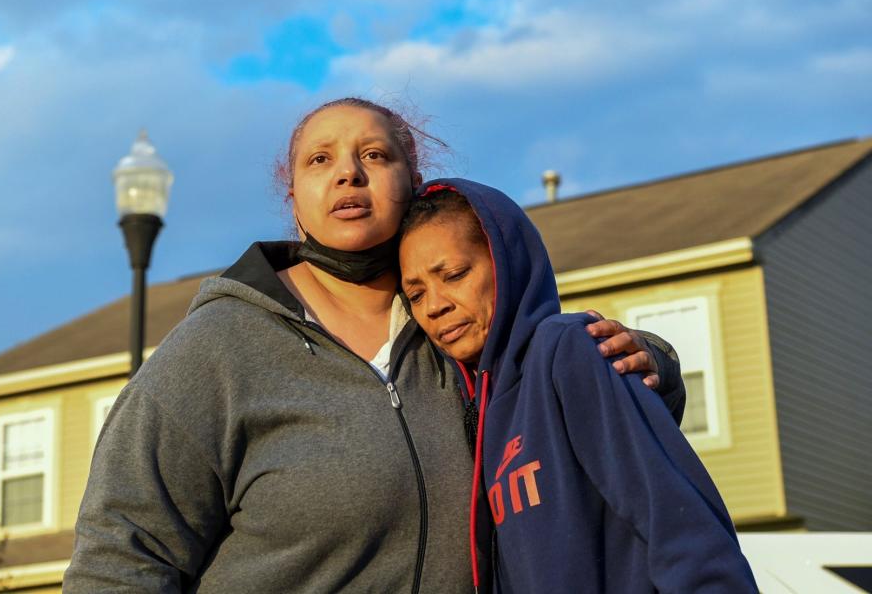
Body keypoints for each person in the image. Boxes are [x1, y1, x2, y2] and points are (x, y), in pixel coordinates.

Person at [64, 98, 685, 592]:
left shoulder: (458, 328)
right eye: (319, 160)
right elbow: (121, 556)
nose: (348, 173)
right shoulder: (217, 349)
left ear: (414, 177)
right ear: (295, 199)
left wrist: (648, 361)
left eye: (373, 154)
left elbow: (568, 391)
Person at [398, 179, 757, 593]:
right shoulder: (477, 409)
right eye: (416, 294)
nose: (436, 305)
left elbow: (675, 516)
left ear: (505, 263)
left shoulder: (565, 349)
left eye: (455, 274)